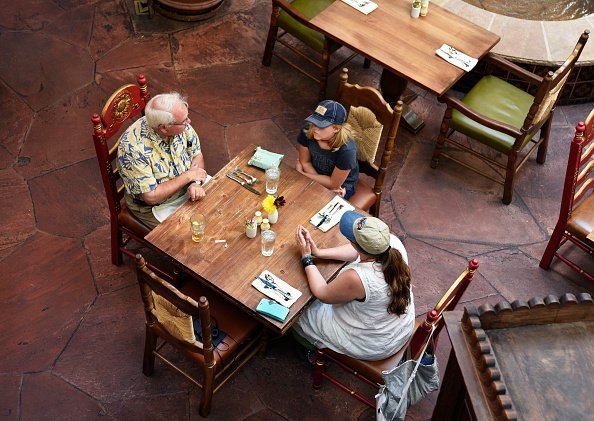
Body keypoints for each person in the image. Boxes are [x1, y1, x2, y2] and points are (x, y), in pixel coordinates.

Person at [293, 211, 415, 361]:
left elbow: (322, 293)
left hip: (373, 343)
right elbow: (356, 251)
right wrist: (318, 252)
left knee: (299, 312)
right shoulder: (392, 244)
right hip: (398, 328)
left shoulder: (357, 277)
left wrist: (306, 257)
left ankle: (309, 347)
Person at [117, 92, 208, 229]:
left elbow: (196, 154)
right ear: (164, 128)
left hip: (188, 188)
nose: (189, 122)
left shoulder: (180, 125)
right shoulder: (133, 150)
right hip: (157, 207)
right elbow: (151, 197)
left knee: (220, 209)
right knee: (193, 235)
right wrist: (188, 176)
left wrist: (195, 183)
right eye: (184, 121)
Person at [296, 100, 359, 199]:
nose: (315, 129)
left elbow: (333, 183)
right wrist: (318, 184)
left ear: (336, 128)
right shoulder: (307, 130)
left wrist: (302, 174)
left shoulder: (347, 150)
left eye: (321, 126)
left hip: (340, 186)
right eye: (314, 122)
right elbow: (305, 162)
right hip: (314, 173)